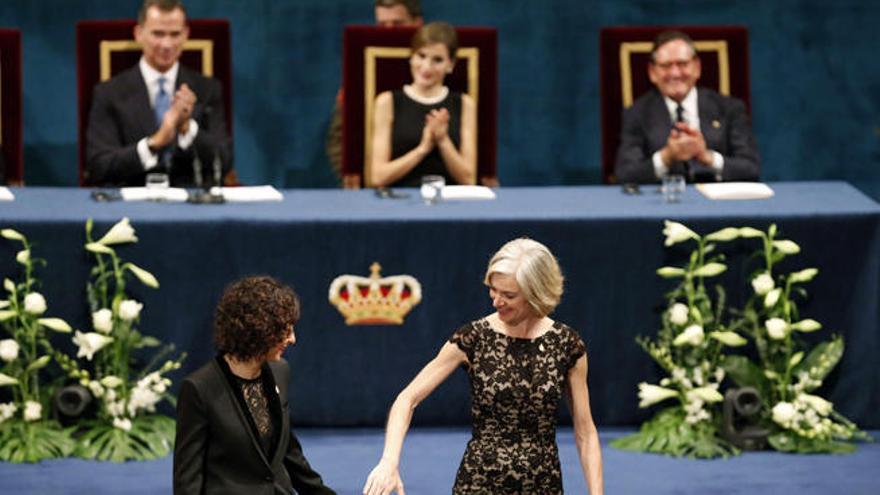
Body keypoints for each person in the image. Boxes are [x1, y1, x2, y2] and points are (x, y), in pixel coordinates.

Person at [363, 238, 603, 495]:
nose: (496, 301)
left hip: (543, 484)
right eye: (493, 290)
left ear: (537, 293)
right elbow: (407, 399)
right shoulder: (474, 337)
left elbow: (585, 432)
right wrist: (389, 461)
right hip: (479, 483)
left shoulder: (567, 344)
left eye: (509, 295)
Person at [173, 276, 335, 495]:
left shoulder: (281, 372)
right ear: (259, 330)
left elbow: (288, 453)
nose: (293, 339)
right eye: (285, 331)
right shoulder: (199, 389)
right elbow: (187, 480)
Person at [85, 0, 232, 187]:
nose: (167, 44)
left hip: (192, 202)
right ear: (139, 34)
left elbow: (225, 161)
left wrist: (188, 128)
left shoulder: (207, 89)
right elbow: (98, 166)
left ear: (186, 34)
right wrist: (153, 143)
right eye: (158, 34)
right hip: (132, 202)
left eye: (175, 34)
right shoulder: (109, 92)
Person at [614, 30, 760, 184]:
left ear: (697, 67)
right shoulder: (636, 113)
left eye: (682, 64)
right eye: (665, 66)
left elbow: (751, 169)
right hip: (662, 202)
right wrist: (666, 156)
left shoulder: (730, 108)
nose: (675, 73)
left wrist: (706, 157)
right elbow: (625, 174)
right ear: (652, 72)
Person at [326, 0, 424, 189]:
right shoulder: (361, 71)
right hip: (372, 190)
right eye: (382, 25)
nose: (388, 32)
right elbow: (339, 136)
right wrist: (351, 173)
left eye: (397, 24)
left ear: (417, 23)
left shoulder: (439, 67)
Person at [370, 22, 476, 188]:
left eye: (437, 60)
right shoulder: (387, 101)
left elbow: (468, 179)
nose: (426, 67)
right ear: (411, 57)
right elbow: (378, 177)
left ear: (451, 64)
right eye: (421, 56)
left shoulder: (464, 104)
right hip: (398, 200)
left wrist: (442, 140)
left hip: (451, 202)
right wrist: (423, 149)